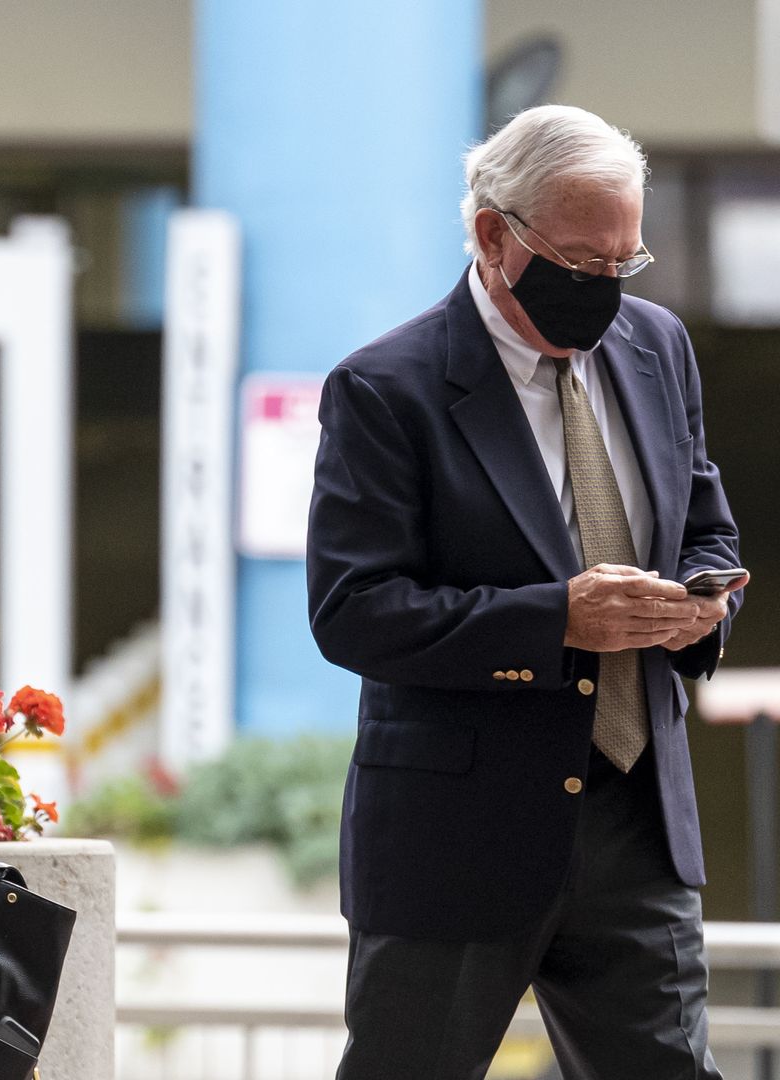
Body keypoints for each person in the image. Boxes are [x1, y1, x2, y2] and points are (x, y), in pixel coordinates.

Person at [307, 104, 747, 1080]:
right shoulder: (387, 389)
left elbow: (704, 523)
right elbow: (353, 610)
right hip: (456, 844)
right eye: (583, 262)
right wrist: (558, 621)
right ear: (492, 234)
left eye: (623, 264)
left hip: (637, 828)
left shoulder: (657, 346)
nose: (606, 287)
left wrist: (705, 602)